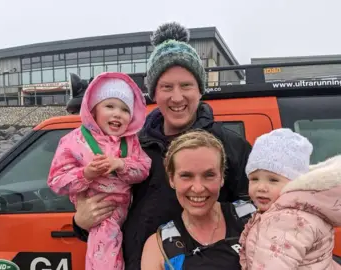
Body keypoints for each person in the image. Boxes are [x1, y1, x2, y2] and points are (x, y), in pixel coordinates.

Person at [72, 21, 252, 269]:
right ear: (154, 93)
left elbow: (257, 214)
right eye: (166, 87)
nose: (177, 97)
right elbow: (106, 209)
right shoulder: (130, 146)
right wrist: (80, 223)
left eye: (186, 85)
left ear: (200, 90)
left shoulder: (229, 145)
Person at [47, 72, 152, 270]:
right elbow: (56, 181)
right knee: (104, 243)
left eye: (124, 109)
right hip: (98, 208)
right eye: (109, 106)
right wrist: (86, 174)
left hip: (126, 209)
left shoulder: (131, 141)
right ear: (92, 110)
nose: (117, 113)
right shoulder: (72, 141)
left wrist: (121, 165)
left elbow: (144, 169)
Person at [239, 128, 341, 269]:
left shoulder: (285, 220)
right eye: (254, 179)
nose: (261, 187)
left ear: (295, 182)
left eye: (273, 180)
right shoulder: (304, 210)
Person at [141, 130, 256, 270]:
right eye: (186, 176)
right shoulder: (159, 247)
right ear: (171, 179)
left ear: (222, 177)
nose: (198, 188)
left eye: (209, 175)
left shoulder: (253, 218)